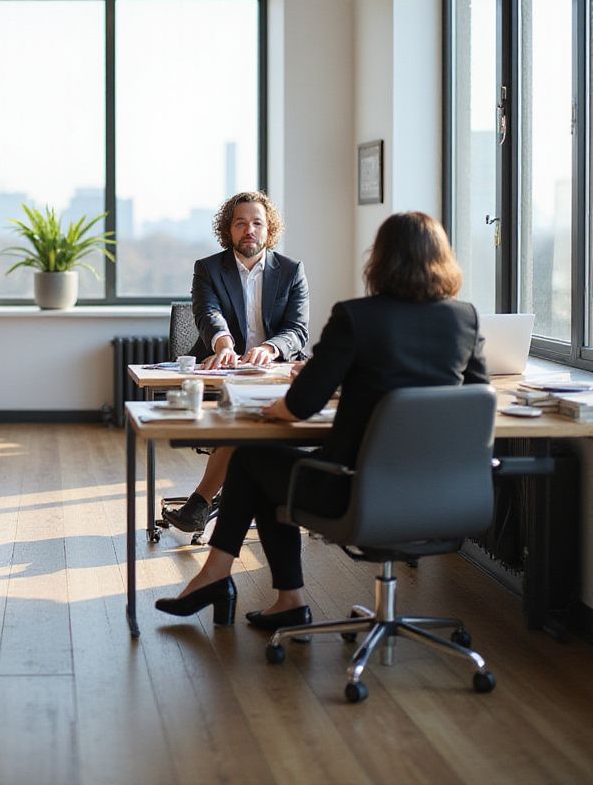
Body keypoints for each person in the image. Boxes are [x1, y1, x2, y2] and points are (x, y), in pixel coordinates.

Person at [155, 211, 488, 630]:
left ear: (379, 260)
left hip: (355, 490)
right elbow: (475, 399)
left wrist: (290, 398)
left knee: (253, 459)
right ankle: (248, 588)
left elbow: (298, 407)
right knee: (261, 463)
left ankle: (236, 583)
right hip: (446, 496)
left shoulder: (356, 317)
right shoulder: (466, 319)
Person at [164, 190, 309, 534]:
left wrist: (271, 348)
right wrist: (224, 343)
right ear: (228, 230)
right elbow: (207, 313)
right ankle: (212, 502)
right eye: (241, 223)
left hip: (274, 375)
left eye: (257, 223)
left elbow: (298, 330)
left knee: (248, 422)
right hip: (223, 376)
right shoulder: (209, 269)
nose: (249, 230)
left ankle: (201, 502)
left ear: (268, 228)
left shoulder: (291, 271)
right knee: (243, 419)